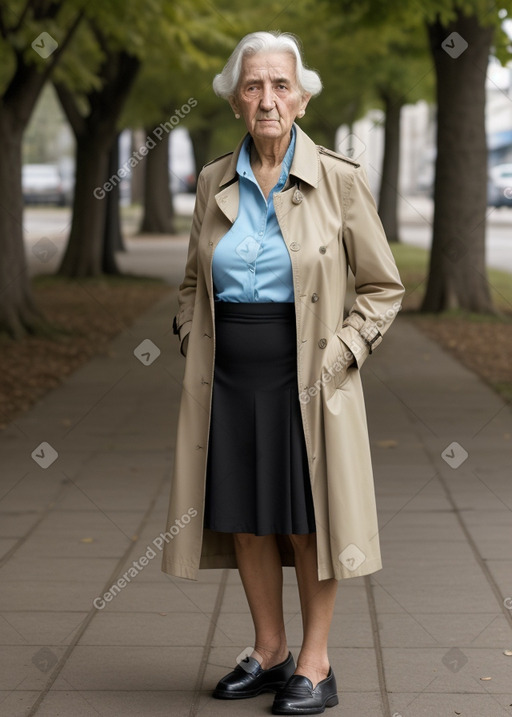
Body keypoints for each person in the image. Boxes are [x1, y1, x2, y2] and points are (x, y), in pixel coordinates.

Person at [161, 31, 405, 715]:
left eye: (279, 86)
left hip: (308, 377)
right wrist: (191, 334)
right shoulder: (213, 180)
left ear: (300, 98)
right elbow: (190, 284)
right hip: (229, 376)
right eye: (252, 86)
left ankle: (315, 663)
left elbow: (382, 287)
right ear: (236, 100)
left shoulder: (340, 180)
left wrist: (343, 354)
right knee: (247, 521)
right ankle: (270, 651)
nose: (267, 99)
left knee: (308, 523)